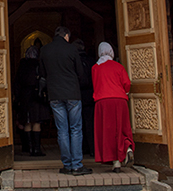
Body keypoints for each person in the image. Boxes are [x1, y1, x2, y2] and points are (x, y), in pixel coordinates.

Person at [38, 26, 91, 176]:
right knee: (75, 129)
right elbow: (80, 72)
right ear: (66, 36)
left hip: (54, 94)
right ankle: (77, 165)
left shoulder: (45, 50)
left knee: (62, 130)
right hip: (72, 93)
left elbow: (42, 73)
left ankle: (67, 165)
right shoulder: (72, 49)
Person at [91, 42, 134, 172]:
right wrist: (123, 93)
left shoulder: (95, 68)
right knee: (121, 127)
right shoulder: (118, 66)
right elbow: (127, 83)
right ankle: (126, 148)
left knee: (107, 131)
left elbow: (95, 84)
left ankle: (115, 162)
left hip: (103, 102)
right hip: (119, 100)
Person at [15, 57, 49, 156]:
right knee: (37, 121)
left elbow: (17, 83)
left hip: (25, 97)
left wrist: (17, 99)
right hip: (36, 96)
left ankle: (29, 148)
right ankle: (37, 149)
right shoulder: (38, 65)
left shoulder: (22, 67)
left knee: (27, 122)